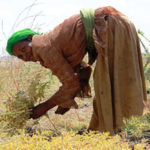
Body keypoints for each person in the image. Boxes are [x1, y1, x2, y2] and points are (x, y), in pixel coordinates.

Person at [6, 6, 147, 134]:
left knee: (112, 81)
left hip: (110, 25)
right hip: (116, 24)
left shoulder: (43, 48)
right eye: (20, 56)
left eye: (24, 49)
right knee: (109, 81)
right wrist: (66, 99)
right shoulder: (49, 45)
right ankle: (118, 129)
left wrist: (44, 107)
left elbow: (71, 84)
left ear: (31, 38)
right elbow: (84, 70)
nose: (25, 56)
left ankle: (124, 129)